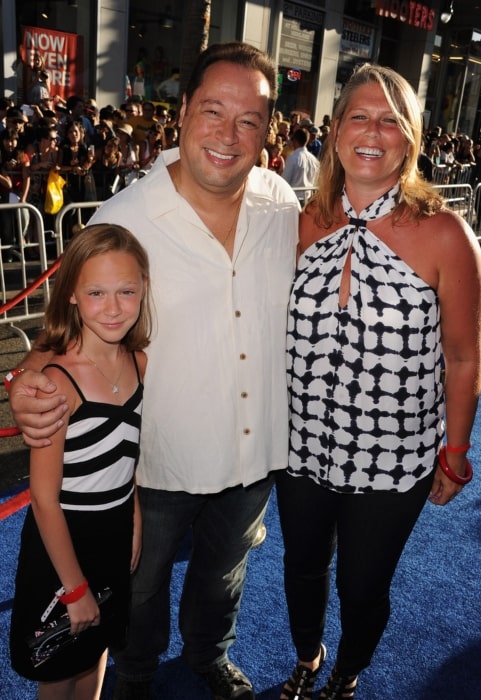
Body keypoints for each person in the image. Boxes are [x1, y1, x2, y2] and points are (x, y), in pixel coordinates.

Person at [7, 41, 299, 700]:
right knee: (139, 584)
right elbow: (70, 313)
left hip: (252, 452)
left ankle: (208, 653)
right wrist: (28, 377)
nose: (229, 134)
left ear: (267, 130)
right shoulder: (125, 216)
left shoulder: (281, 202)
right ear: (184, 111)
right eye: (213, 111)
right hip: (155, 463)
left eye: (248, 119)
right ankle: (134, 676)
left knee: (225, 572)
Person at [277, 63, 481, 700]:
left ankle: (348, 672)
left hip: (395, 459)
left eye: (391, 119)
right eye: (359, 116)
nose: (373, 131)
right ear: (335, 130)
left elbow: (464, 357)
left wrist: (455, 452)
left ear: (412, 138)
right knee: (300, 569)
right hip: (300, 444)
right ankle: (308, 660)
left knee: (363, 585)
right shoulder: (301, 222)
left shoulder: (446, 235)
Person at [9, 223, 152, 700]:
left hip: (113, 536)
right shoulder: (56, 383)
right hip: (62, 547)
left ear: (143, 289)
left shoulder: (139, 362)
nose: (113, 308)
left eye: (126, 291)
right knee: (59, 667)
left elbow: (126, 456)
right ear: (71, 293)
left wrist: (132, 513)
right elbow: (45, 500)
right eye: (96, 292)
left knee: (95, 652)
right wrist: (72, 588)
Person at [282, 127, 320, 205]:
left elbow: (285, 180)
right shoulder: (314, 160)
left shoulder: (293, 157)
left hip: (293, 200)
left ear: (295, 141)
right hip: (307, 199)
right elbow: (316, 181)